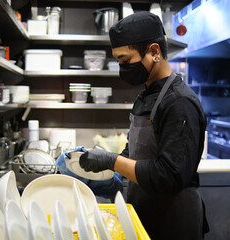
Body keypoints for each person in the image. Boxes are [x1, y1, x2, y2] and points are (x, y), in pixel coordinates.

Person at [79, 11, 209, 240]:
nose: (121, 68)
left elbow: (169, 175)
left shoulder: (179, 103)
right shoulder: (146, 96)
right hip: (144, 210)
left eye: (125, 60)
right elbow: (135, 151)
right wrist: (113, 177)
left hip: (174, 220)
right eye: (118, 61)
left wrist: (111, 161)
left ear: (154, 52)